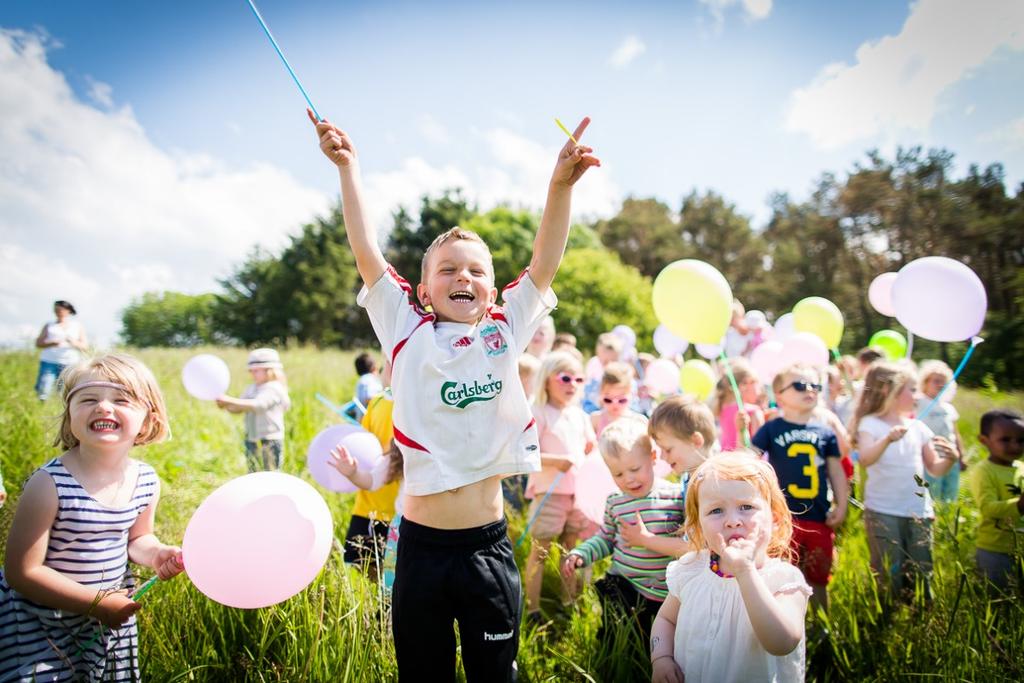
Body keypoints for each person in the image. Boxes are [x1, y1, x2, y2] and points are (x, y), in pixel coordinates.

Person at [311, 109, 599, 681]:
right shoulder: (403, 329)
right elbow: (366, 250)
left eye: (475, 270)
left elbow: (545, 262)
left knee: (496, 673)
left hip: (488, 548)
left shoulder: (505, 328)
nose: (462, 277)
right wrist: (349, 168)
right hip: (419, 549)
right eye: (447, 270)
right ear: (422, 289)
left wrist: (558, 186)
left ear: (493, 288)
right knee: (426, 674)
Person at [0, 354, 185, 680]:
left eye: (121, 399)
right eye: (87, 399)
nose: (103, 407)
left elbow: (138, 539)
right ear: (69, 416)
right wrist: (96, 601)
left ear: (148, 420)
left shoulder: (145, 480)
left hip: (106, 621)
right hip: (44, 622)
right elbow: (22, 571)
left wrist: (156, 553)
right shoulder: (50, 484)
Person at [649, 453, 811, 682]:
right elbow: (666, 620)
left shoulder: (783, 580)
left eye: (746, 506)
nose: (732, 520)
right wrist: (661, 658)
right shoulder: (691, 569)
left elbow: (782, 643)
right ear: (698, 526)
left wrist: (745, 571)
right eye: (716, 511)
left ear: (774, 520)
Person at [562, 416, 685, 646]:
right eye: (618, 474)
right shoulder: (616, 502)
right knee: (615, 636)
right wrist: (582, 553)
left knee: (658, 641)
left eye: (635, 469)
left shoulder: (675, 496)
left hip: (663, 592)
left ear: (653, 458)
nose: (628, 479)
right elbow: (606, 538)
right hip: (624, 584)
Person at [849, 361, 958, 600]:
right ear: (890, 392)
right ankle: (889, 613)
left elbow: (935, 469)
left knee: (921, 568)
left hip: (919, 510)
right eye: (911, 389)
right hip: (883, 510)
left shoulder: (917, 427)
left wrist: (951, 460)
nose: (916, 395)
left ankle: (920, 614)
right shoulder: (872, 425)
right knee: (889, 569)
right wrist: (887, 439)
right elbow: (865, 458)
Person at [752, 363, 849, 612]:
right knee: (782, 575)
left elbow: (836, 470)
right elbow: (750, 458)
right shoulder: (772, 428)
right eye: (800, 385)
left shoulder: (825, 432)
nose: (810, 390)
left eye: (815, 386)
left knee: (818, 578)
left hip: (819, 517)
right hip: (782, 519)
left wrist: (842, 503)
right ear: (779, 395)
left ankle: (821, 629)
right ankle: (784, 624)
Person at [523, 351, 597, 623]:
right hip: (550, 493)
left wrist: (591, 450)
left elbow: (589, 448)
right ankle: (532, 609)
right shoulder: (538, 411)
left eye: (579, 379)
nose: (572, 384)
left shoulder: (579, 415)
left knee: (570, 549)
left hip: (577, 496)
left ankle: (569, 601)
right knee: (540, 550)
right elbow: (526, 452)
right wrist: (558, 461)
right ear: (547, 380)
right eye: (565, 378)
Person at [339, 362, 401, 571]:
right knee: (363, 567)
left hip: (401, 513)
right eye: (388, 362)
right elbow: (364, 446)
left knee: (394, 575)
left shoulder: (416, 405)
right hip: (369, 505)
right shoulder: (376, 403)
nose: (392, 367)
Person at [968, 409, 1024, 592]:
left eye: (1021, 441)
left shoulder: (1021, 468)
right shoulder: (984, 471)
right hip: (994, 550)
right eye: (1005, 440)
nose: (1015, 446)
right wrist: (1019, 505)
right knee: (996, 599)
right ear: (984, 441)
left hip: (1019, 548)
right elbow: (988, 508)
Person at [216, 348, 291, 472]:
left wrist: (228, 400)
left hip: (269, 439)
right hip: (252, 437)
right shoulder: (251, 388)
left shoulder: (274, 388)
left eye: (256, 371)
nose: (252, 374)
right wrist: (225, 406)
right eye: (251, 371)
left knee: (271, 473)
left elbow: (258, 405)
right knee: (253, 472)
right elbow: (240, 408)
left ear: (269, 370)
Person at [916, 360, 966, 503]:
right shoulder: (919, 402)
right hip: (931, 454)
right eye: (936, 381)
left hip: (950, 454)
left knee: (951, 491)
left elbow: (955, 432)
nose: (940, 385)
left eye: (944, 382)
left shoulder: (948, 407)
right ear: (925, 382)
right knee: (932, 490)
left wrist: (961, 455)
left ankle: (947, 519)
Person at [648, 395, 719, 485]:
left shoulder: (715, 482)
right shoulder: (689, 478)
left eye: (668, 450)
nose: (662, 457)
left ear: (696, 441)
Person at [34, 300, 88, 401]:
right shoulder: (49, 325)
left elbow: (84, 346)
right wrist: (51, 343)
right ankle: (42, 405)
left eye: (60, 309)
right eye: (56, 309)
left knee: (64, 390)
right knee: (44, 388)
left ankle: (61, 409)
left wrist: (73, 342)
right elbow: (38, 343)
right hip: (49, 361)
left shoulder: (77, 326)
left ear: (68, 311)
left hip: (70, 362)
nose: (58, 311)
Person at [714, 358, 765, 451]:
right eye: (756, 382)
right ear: (744, 385)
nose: (759, 389)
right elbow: (759, 450)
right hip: (745, 463)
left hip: (724, 462)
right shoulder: (753, 412)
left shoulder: (722, 408)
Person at [591, 361, 642, 438]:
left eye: (622, 400)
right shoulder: (596, 419)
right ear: (601, 395)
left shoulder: (638, 421)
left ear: (632, 395)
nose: (615, 404)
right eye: (608, 400)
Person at [582, 332, 624, 413]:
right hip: (593, 409)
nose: (609, 365)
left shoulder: (621, 371)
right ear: (598, 354)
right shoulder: (593, 365)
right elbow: (587, 391)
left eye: (613, 361)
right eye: (605, 362)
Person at [353, 352, 384, 419]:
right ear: (373, 367)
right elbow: (370, 397)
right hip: (370, 422)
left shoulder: (362, 380)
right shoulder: (369, 379)